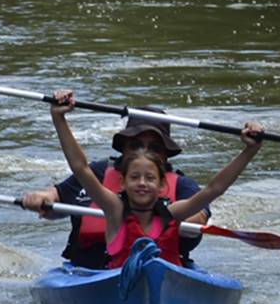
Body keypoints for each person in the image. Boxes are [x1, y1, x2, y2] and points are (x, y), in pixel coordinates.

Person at [45, 89, 263, 268]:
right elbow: (80, 168)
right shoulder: (114, 210)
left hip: (165, 283)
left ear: (162, 185)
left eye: (150, 178)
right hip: (115, 284)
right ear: (122, 182)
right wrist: (59, 117)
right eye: (135, 177)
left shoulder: (173, 213)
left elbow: (214, 189)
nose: (141, 183)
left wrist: (249, 151)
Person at [20, 112, 212, 269]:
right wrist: (42, 199)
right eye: (136, 144)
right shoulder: (98, 173)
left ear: (165, 154)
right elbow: (58, 195)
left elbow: (200, 214)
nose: (144, 151)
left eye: (154, 147)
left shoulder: (182, 185)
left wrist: (165, 216)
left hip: (164, 267)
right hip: (88, 270)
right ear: (124, 147)